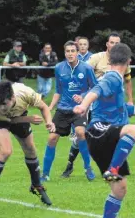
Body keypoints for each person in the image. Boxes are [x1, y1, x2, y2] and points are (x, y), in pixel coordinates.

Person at [73, 43, 135, 218]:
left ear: (110, 58)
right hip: (100, 132)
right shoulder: (114, 78)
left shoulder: (115, 80)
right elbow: (96, 90)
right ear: (129, 61)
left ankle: (113, 170)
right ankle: (113, 169)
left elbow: (124, 109)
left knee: (119, 189)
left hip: (105, 141)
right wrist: (83, 106)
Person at [0, 81, 55, 207]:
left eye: (4, 103)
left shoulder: (26, 93)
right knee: (5, 151)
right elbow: (11, 121)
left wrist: (49, 122)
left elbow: (43, 107)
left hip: (20, 114)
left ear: (13, 97)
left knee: (31, 149)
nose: (2, 107)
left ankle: (36, 185)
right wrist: (29, 119)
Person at [41, 41, 97, 182]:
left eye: (73, 51)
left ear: (77, 52)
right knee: (52, 138)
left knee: (80, 133)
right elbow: (58, 90)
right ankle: (45, 174)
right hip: (63, 109)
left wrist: (83, 96)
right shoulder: (59, 67)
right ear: (64, 52)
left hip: (79, 109)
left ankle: (87, 167)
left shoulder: (86, 68)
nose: (70, 54)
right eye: (68, 51)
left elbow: (95, 88)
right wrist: (51, 106)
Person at [62, 36, 93, 177]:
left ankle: (112, 167)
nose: (82, 46)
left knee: (102, 135)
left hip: (97, 103)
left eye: (84, 44)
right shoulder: (72, 60)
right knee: (81, 135)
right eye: (80, 44)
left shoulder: (96, 58)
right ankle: (70, 165)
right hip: (81, 104)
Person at [87, 32, 133, 105]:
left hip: (116, 100)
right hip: (97, 100)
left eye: (117, 43)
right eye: (112, 42)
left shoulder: (124, 61)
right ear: (107, 44)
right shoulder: (96, 58)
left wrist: (130, 100)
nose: (114, 46)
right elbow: (84, 76)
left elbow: (128, 80)